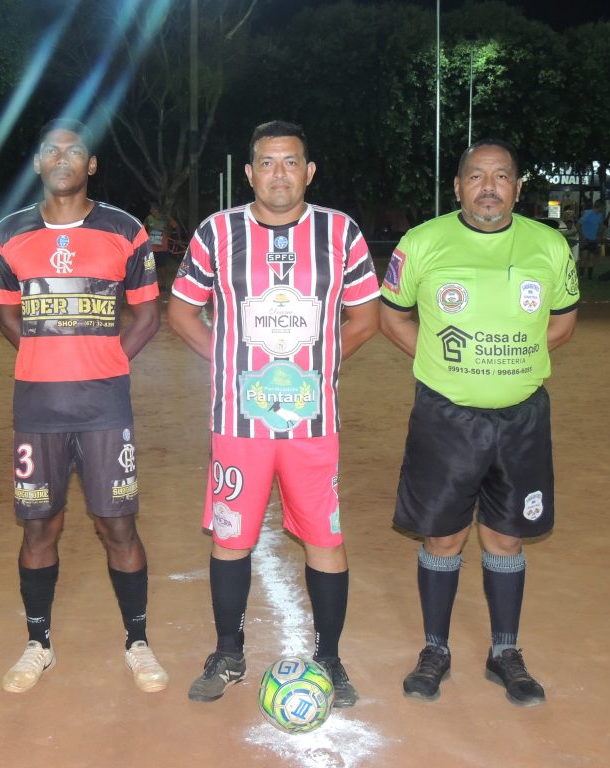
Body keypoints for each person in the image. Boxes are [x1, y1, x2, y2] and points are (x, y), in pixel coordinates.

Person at [168, 120, 380, 708]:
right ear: (249, 173)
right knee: (232, 536)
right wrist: (229, 363)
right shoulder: (217, 232)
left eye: (290, 163)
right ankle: (228, 653)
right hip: (240, 422)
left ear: (309, 172)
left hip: (313, 422)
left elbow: (365, 317)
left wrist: (322, 367)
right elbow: (182, 312)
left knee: (325, 537)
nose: (279, 174)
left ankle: (329, 658)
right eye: (266, 163)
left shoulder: (340, 232)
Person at [379, 138, 579, 707]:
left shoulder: (548, 245)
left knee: (506, 535)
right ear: (458, 186)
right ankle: (435, 649)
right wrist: (444, 366)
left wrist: (512, 364)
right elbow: (392, 318)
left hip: (522, 418)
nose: (488, 187)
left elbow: (563, 323)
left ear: (518, 187)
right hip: (446, 417)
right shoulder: (422, 242)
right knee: (442, 534)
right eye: (476, 176)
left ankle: (504, 652)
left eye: (501, 176)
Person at [0, 118, 167, 694]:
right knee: (39, 525)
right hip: (37, 406)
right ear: (38, 162)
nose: (61, 158)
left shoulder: (125, 230)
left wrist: (105, 361)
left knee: (117, 524)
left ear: (90, 164)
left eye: (74, 151)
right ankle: (37, 644)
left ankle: (138, 642)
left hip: (103, 407)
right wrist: (47, 356)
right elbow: (7, 314)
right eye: (51, 150)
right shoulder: (9, 233)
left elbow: (148, 315)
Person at [143, 202, 178, 290]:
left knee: (162, 268)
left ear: (156, 209)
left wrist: (178, 237)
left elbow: (176, 226)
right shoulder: (148, 218)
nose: (150, 210)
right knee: (149, 267)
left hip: (162, 247)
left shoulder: (166, 218)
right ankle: (151, 285)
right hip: (151, 247)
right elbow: (142, 228)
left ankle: (163, 285)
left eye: (152, 208)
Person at [576, 198, 606, 280]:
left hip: (593, 240)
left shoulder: (600, 215)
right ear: (600, 207)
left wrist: (599, 234)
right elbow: (578, 225)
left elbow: (601, 225)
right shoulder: (588, 214)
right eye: (603, 207)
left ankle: (589, 277)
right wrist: (582, 236)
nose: (604, 209)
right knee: (584, 257)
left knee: (592, 258)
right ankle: (581, 276)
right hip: (585, 239)